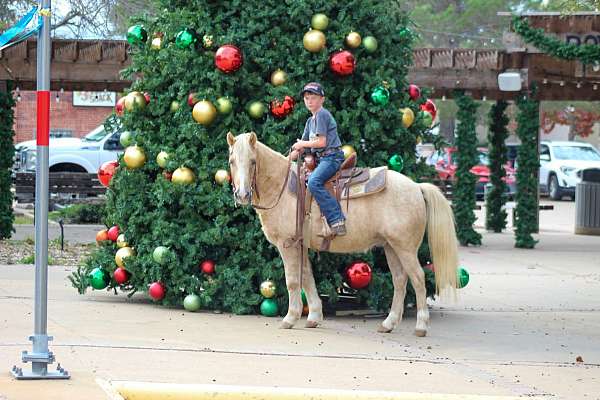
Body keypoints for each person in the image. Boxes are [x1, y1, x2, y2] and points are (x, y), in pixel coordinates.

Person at [291, 82, 346, 236]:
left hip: (331, 157)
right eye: (307, 98)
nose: (309, 101)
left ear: (322, 99)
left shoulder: (322, 114)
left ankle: (337, 218)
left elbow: (322, 142)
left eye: (313, 97)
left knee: (314, 182)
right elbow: (300, 147)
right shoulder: (310, 121)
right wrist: (285, 160)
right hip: (321, 159)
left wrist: (302, 143)